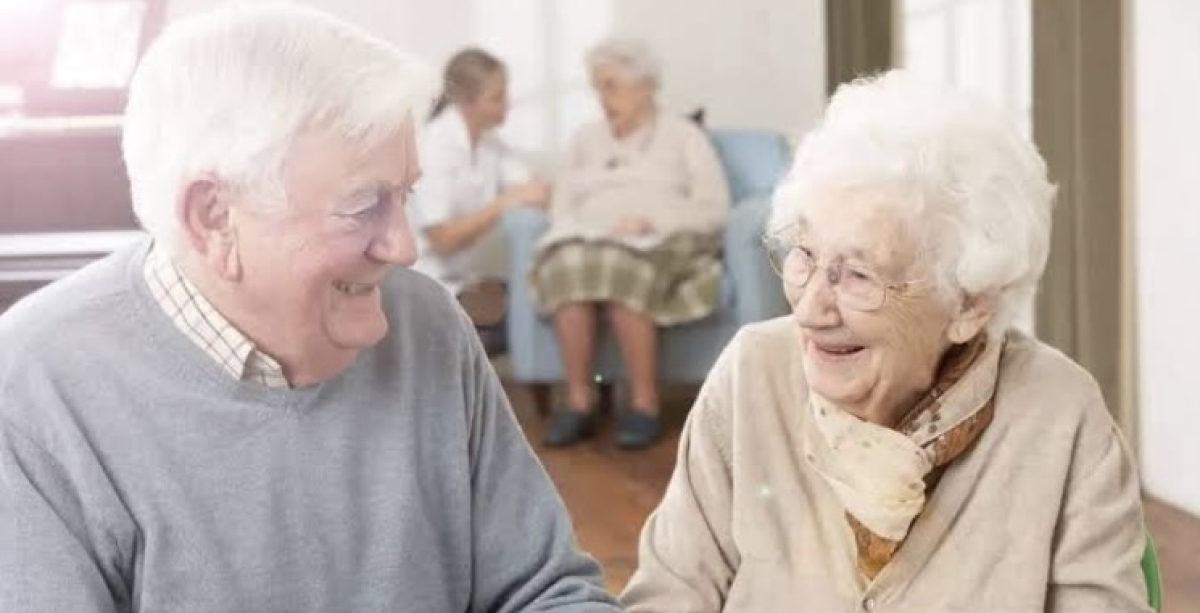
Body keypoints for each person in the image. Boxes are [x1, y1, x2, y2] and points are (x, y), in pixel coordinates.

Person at [0, 5, 619, 612]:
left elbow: (546, 589)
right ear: (214, 217)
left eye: (404, 195)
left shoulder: (428, 323)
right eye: (363, 205)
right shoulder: (32, 387)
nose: (404, 246)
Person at [620, 70, 1151, 612]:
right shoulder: (752, 375)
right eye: (804, 254)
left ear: (969, 304)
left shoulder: (1059, 416)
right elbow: (669, 594)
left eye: (858, 275)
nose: (809, 309)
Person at [530, 37, 730, 450]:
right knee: (566, 265)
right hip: (589, 239)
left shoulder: (683, 135)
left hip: (660, 240)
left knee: (624, 270)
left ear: (647, 86)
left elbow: (713, 208)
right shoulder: (586, 138)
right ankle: (580, 402)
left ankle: (644, 405)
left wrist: (651, 220)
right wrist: (579, 228)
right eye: (597, 87)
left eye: (611, 86)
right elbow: (561, 207)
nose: (603, 98)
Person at [411, 48, 551, 355]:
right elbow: (443, 238)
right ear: (467, 102)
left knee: (538, 303)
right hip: (421, 280)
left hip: (460, 281)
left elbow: (533, 188)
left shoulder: (488, 143)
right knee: (521, 316)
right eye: (497, 97)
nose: (507, 104)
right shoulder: (435, 146)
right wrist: (505, 202)